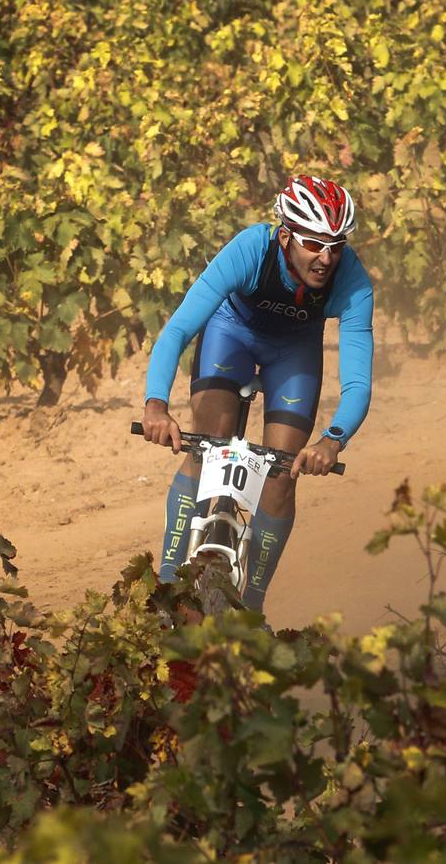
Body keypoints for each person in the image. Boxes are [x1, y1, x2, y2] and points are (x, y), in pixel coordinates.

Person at [136, 175, 374, 612]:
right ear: (286, 236)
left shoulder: (353, 281)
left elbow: (358, 381)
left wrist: (333, 439)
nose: (326, 258)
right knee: (205, 446)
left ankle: (253, 607)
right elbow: (179, 330)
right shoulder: (251, 249)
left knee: (283, 474)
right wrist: (155, 405)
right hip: (233, 335)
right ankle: (168, 587)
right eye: (313, 243)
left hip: (294, 352)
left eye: (336, 245)